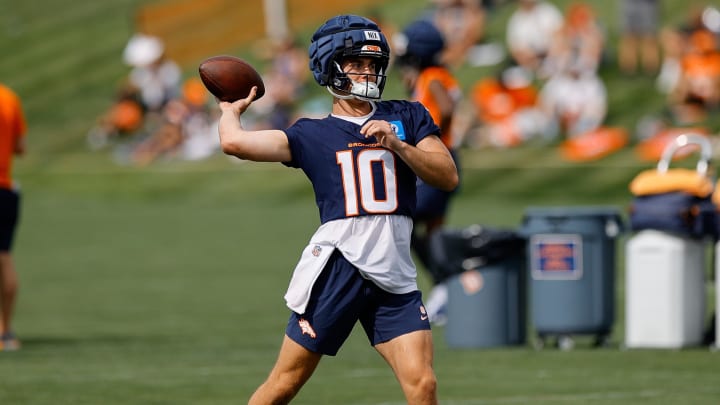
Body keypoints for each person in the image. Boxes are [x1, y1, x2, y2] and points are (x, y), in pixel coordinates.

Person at [217, 15, 458, 404]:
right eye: (356, 63)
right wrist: (230, 109)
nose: (367, 71)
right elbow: (236, 144)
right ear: (329, 66)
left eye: (372, 63)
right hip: (339, 267)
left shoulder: (408, 116)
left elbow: (446, 175)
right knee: (284, 383)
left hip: (394, 272)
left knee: (423, 384)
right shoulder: (312, 133)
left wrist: (398, 146)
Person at [394, 19, 462, 324]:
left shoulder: (432, 75)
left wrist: (435, 137)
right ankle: (445, 290)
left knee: (404, 219)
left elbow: (445, 108)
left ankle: (445, 283)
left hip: (436, 158)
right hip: (441, 157)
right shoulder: (430, 75)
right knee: (433, 230)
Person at [0, 83, 27, 351]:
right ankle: (5, 332)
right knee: (4, 257)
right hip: (5, 188)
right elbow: (21, 146)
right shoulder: (9, 97)